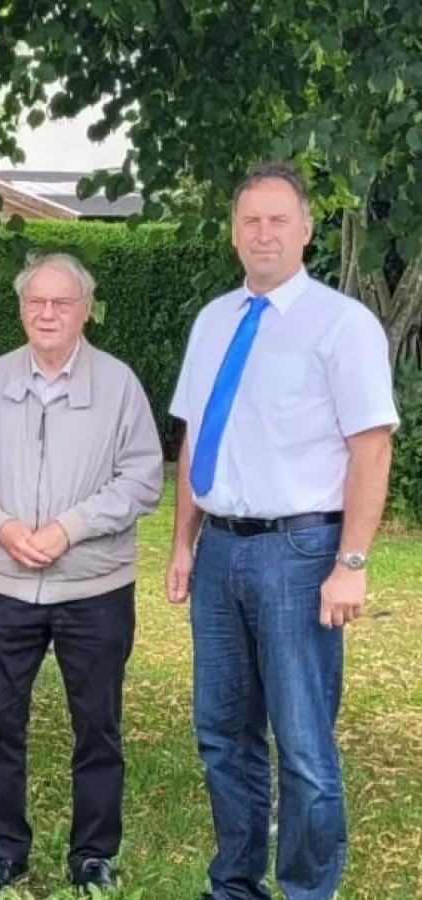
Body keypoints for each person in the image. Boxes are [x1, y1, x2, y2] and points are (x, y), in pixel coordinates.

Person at [166, 161, 396, 900]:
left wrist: (351, 561)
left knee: (302, 746)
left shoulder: (342, 324)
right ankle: (235, 884)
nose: (262, 233)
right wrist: (181, 542)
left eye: (276, 220)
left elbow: (371, 445)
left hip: (301, 554)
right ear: (234, 234)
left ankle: (306, 890)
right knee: (222, 734)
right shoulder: (213, 321)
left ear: (305, 230)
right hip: (220, 550)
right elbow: (197, 437)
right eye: (249, 221)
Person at [0, 253, 164, 896]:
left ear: (85, 309)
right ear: (21, 309)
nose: (47, 314)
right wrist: (3, 525)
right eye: (35, 302)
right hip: (9, 582)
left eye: (61, 303)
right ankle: (3, 849)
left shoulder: (120, 383)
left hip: (94, 587)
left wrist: (67, 528)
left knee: (97, 723)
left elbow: (143, 478)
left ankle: (93, 853)